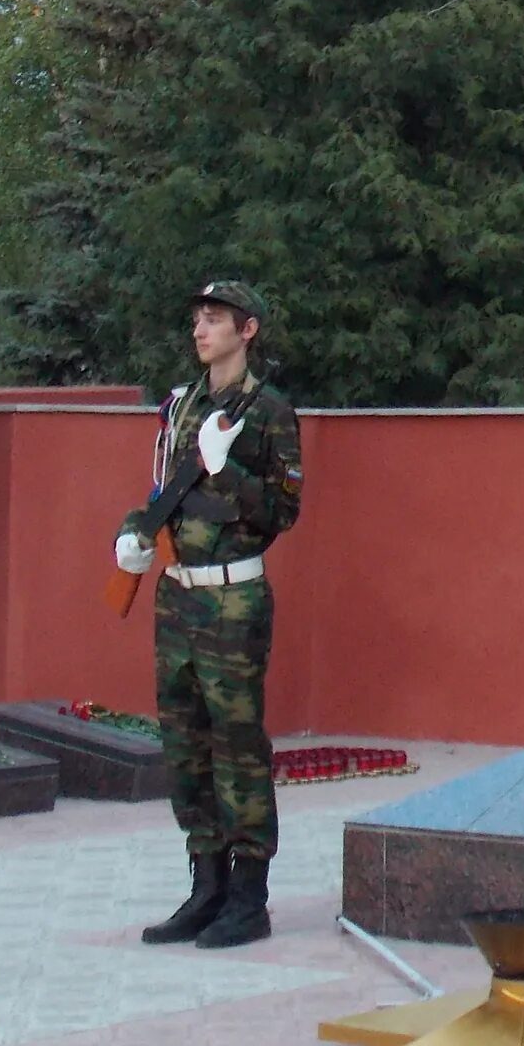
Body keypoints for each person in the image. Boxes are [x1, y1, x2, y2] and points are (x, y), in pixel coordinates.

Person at [115, 280, 303, 949]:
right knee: (185, 744)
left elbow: (283, 512)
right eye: (197, 317)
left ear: (247, 331)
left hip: (232, 595)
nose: (201, 329)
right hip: (178, 594)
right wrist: (134, 532)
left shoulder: (269, 411)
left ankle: (248, 896)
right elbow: (160, 491)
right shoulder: (179, 408)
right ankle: (206, 883)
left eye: (215, 319)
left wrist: (227, 474)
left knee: (237, 745)